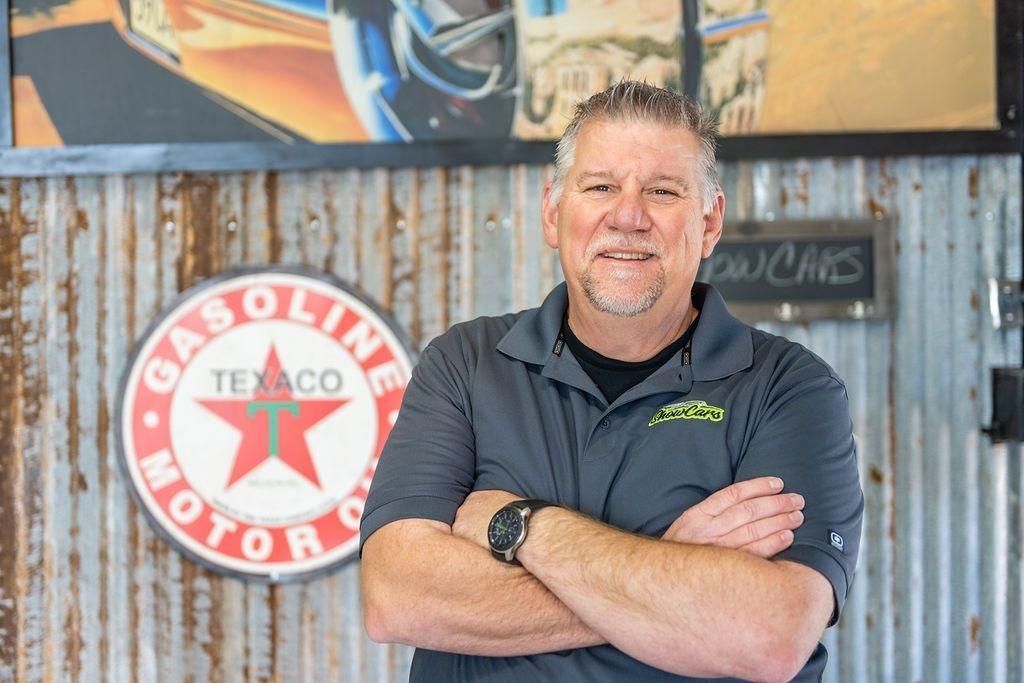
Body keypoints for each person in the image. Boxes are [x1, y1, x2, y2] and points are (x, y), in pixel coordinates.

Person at [359, 80, 864, 682]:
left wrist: (523, 527)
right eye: (600, 186)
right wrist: (675, 571)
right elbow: (398, 598)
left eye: (662, 191)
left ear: (709, 222)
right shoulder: (464, 364)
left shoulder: (791, 389)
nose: (628, 217)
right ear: (553, 212)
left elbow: (769, 635)